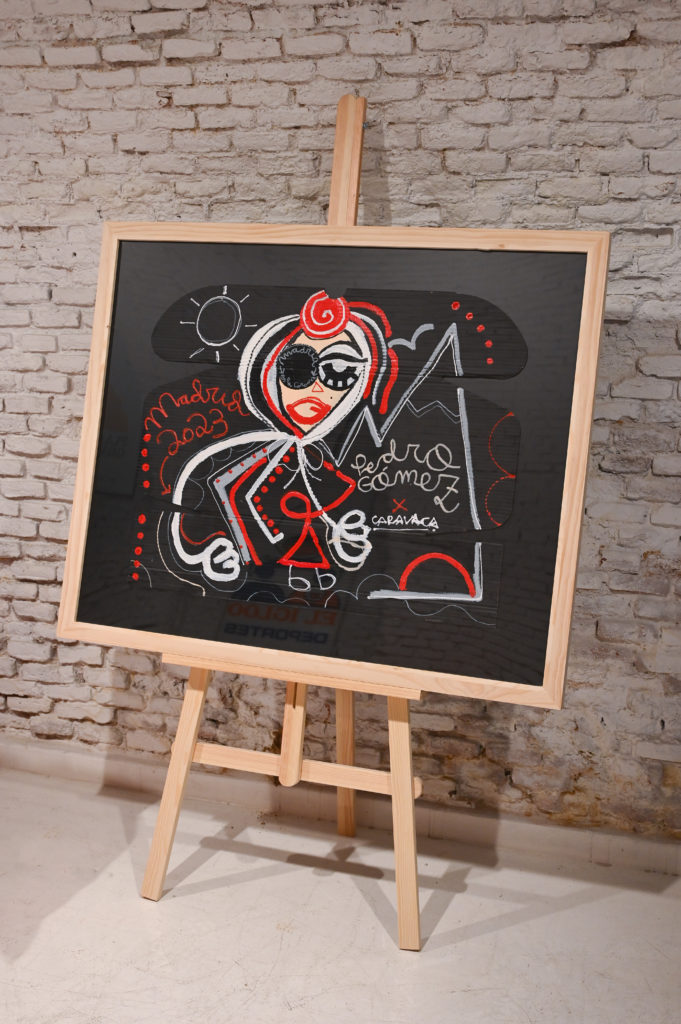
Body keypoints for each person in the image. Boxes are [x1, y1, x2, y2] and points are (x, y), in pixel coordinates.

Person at [168, 290, 398, 592]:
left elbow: (329, 516)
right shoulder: (232, 455)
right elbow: (191, 508)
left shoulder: (319, 460)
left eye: (339, 371)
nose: (317, 388)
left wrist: (343, 542)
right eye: (297, 369)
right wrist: (207, 551)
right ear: (268, 371)